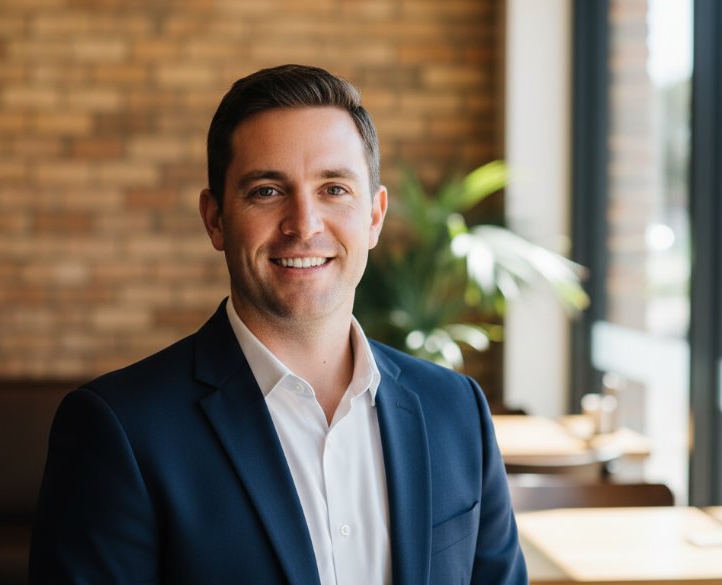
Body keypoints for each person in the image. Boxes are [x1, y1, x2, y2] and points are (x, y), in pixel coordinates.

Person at [29, 64, 527, 585]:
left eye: (334, 188)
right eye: (267, 191)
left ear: (374, 216)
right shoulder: (120, 430)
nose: (304, 225)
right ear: (215, 219)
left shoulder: (456, 410)